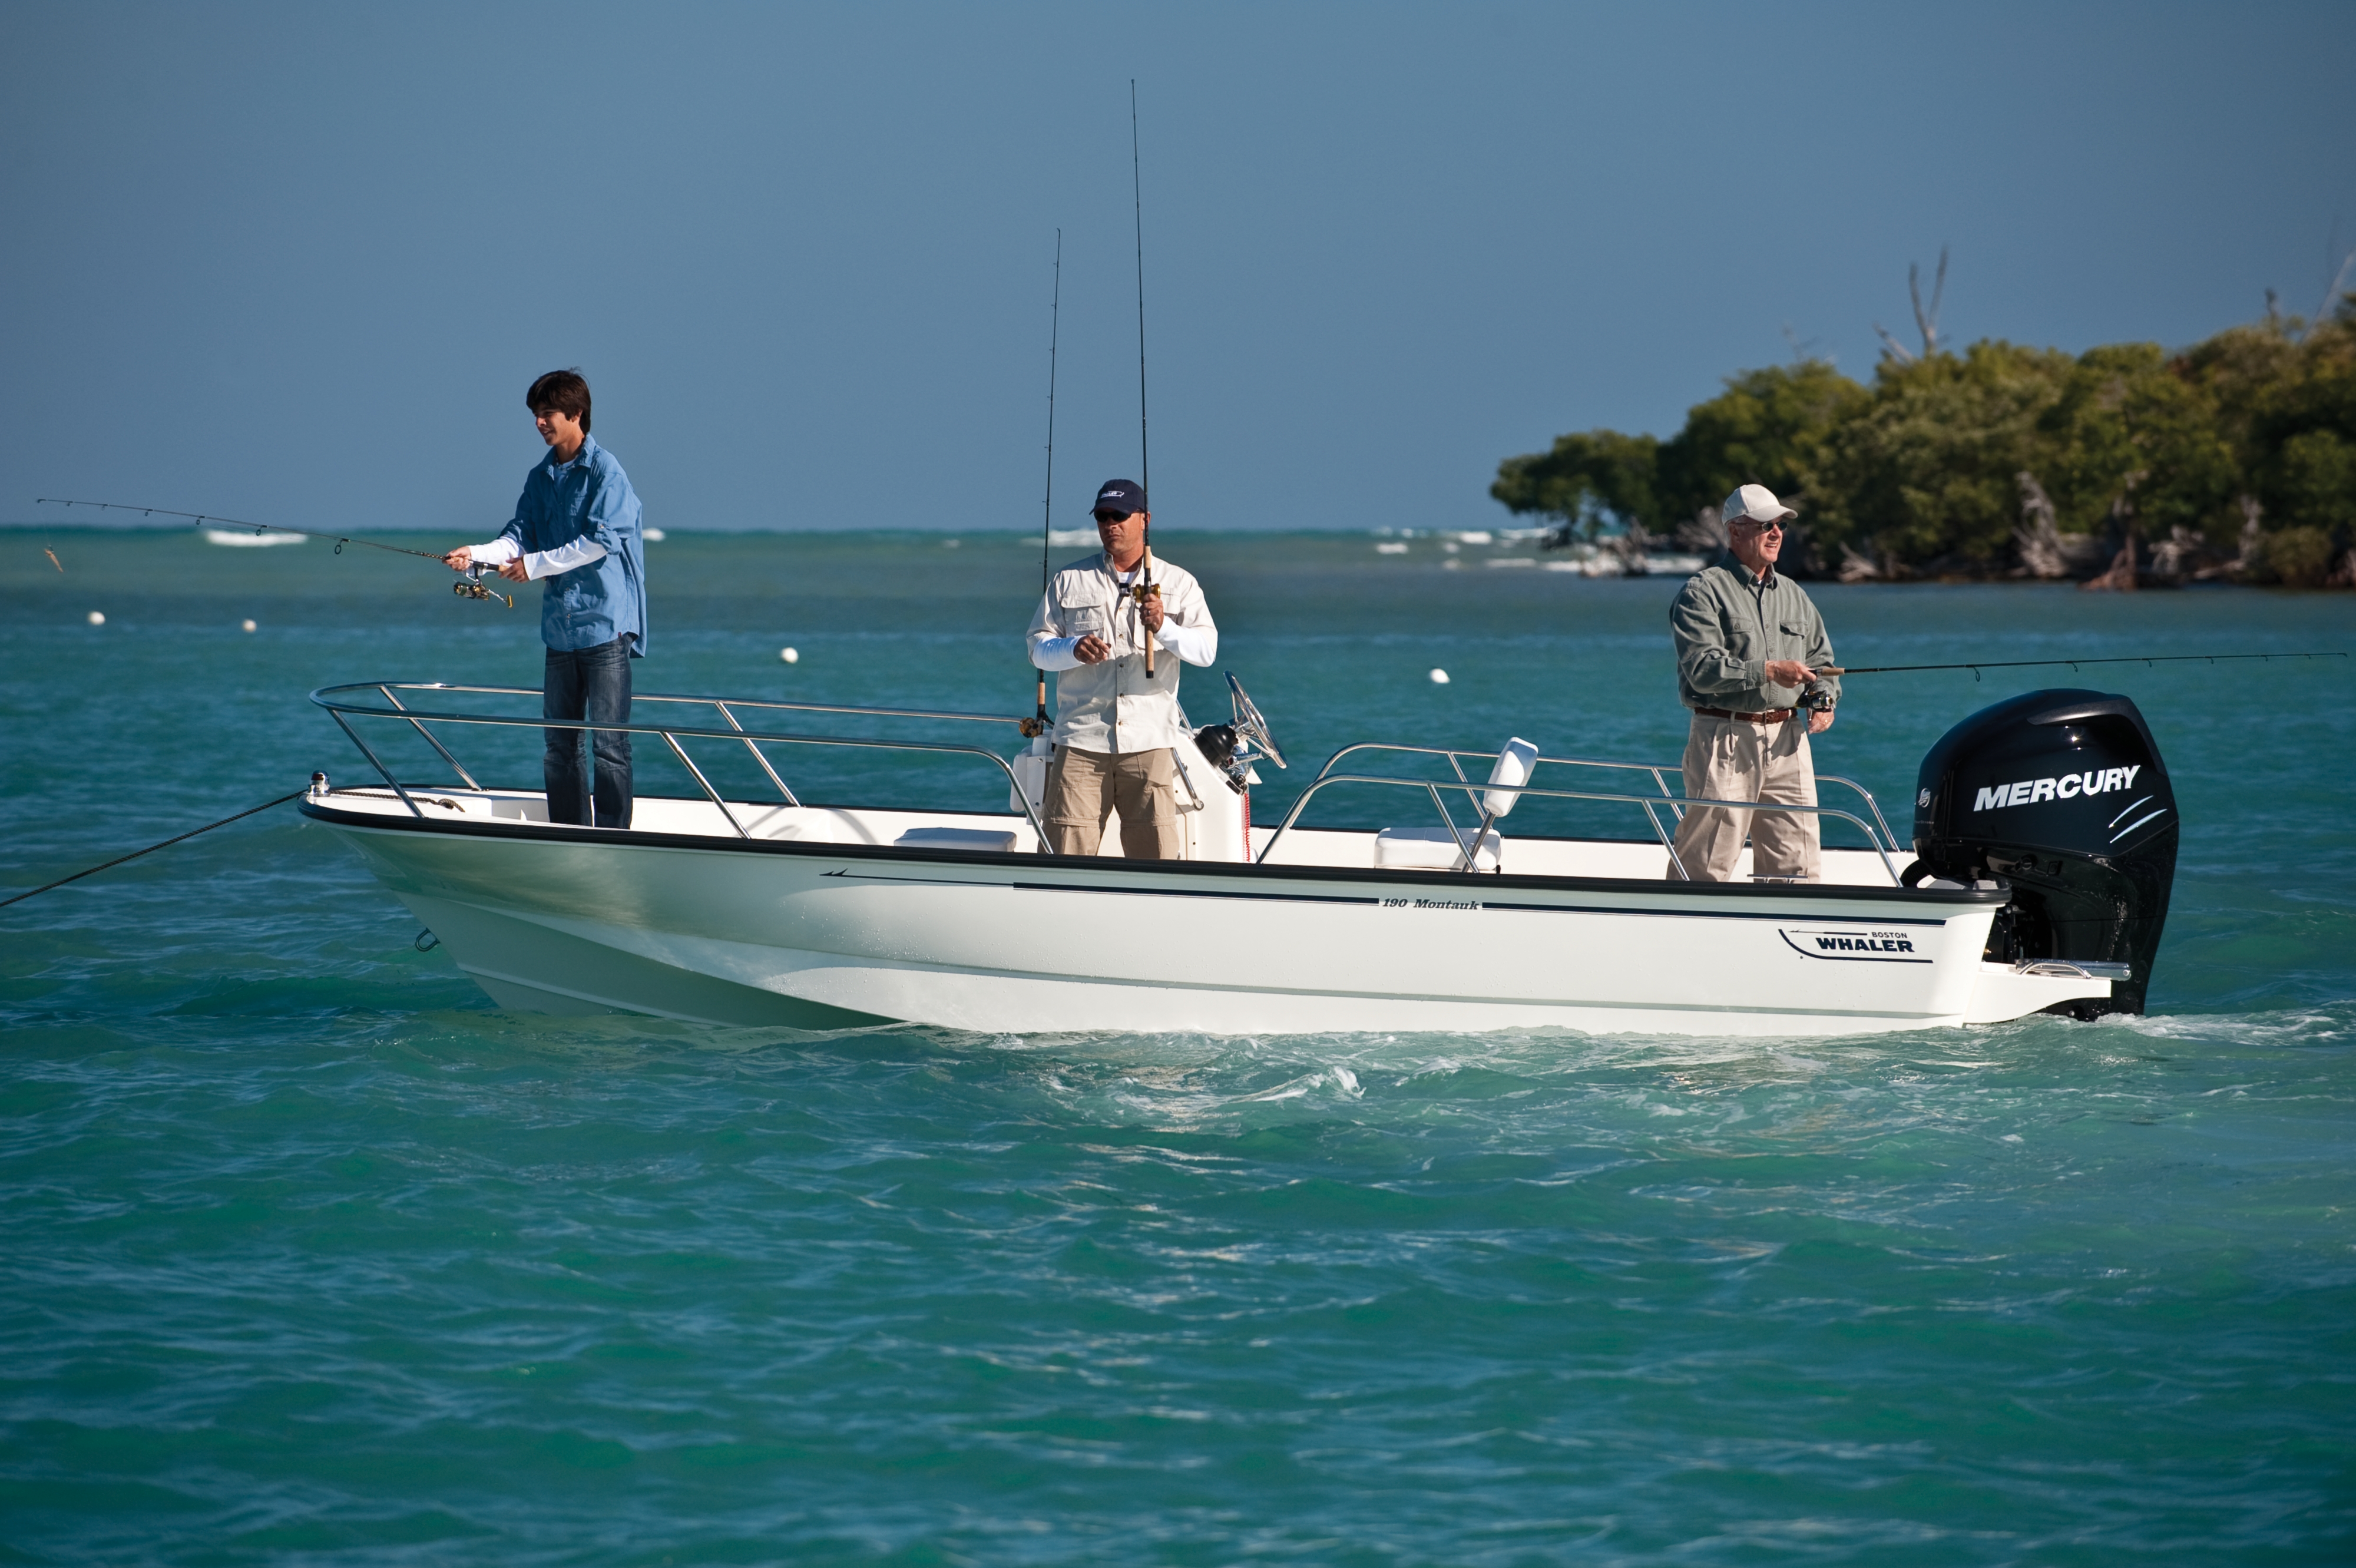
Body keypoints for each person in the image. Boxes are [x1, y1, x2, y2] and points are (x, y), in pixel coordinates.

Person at [444, 370, 648, 829]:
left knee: (609, 745)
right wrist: (475, 554)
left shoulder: (606, 472)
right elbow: (518, 537)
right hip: (560, 630)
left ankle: (614, 837)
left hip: (606, 625)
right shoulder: (540, 477)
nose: (539, 423)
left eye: (548, 414)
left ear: (576, 415)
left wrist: (533, 566)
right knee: (560, 745)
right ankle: (570, 833)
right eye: (536, 415)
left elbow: (599, 541)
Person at [1025, 479, 1219, 858]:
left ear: (1144, 519)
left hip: (1150, 742)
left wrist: (1165, 628)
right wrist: (1073, 649)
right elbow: (1038, 649)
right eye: (1102, 517)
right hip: (1081, 741)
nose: (1110, 525)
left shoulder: (1180, 582)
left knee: (1157, 862)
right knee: (1064, 859)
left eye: (1119, 516)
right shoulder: (1069, 580)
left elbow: (1206, 651)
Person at [1665, 483, 1840, 881]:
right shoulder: (1702, 592)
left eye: (1779, 524)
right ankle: (1683, 932)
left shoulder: (1795, 595)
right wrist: (1769, 671)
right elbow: (1703, 668)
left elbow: (1823, 663)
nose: (1776, 532)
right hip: (1724, 737)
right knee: (1707, 864)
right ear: (1735, 531)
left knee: (1798, 865)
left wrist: (1823, 699)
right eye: (1765, 525)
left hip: (1789, 740)